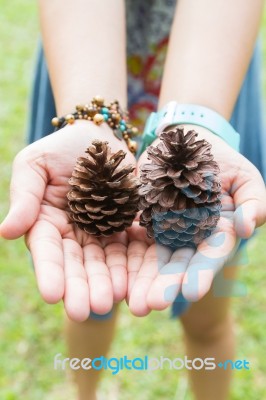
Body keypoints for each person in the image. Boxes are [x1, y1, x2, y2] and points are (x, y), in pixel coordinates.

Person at [1, 1, 266, 399]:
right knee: (89, 308)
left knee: (208, 318)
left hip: (216, 67)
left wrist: (197, 119)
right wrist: (91, 120)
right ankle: (83, 393)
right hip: (80, 61)